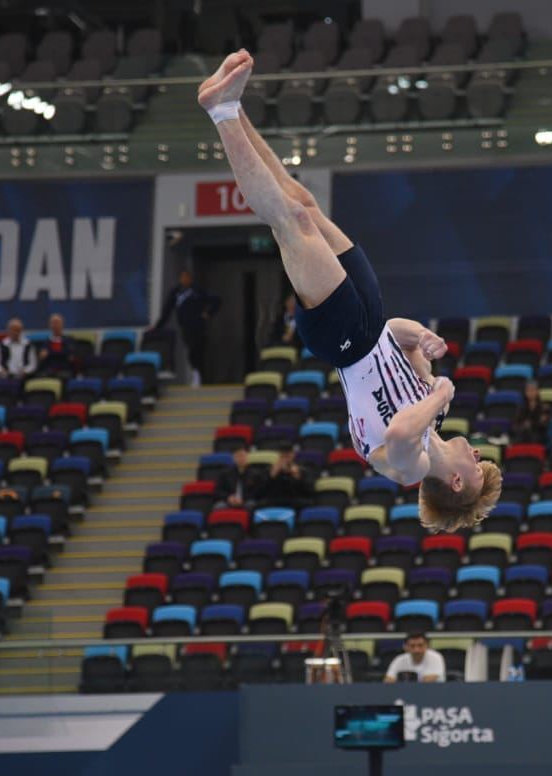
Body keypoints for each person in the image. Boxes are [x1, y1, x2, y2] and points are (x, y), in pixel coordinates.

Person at [200, 51, 500, 532]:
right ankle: (234, 109)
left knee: (289, 221)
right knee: (305, 204)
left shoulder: (411, 467)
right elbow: (394, 337)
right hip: (370, 321)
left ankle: (220, 112)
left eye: (476, 464)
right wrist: (422, 338)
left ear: (457, 484)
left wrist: (441, 389)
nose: (477, 452)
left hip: (342, 337)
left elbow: (401, 429)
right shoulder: (434, 417)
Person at [154, 269, 221, 387]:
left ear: (190, 279)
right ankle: (196, 374)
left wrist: (208, 313)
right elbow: (167, 311)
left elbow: (217, 300)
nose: (185, 279)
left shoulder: (198, 290)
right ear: (180, 279)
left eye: (187, 277)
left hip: (199, 326)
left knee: (199, 350)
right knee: (191, 349)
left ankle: (199, 375)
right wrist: (157, 327)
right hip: (185, 326)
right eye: (182, 277)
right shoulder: (176, 292)